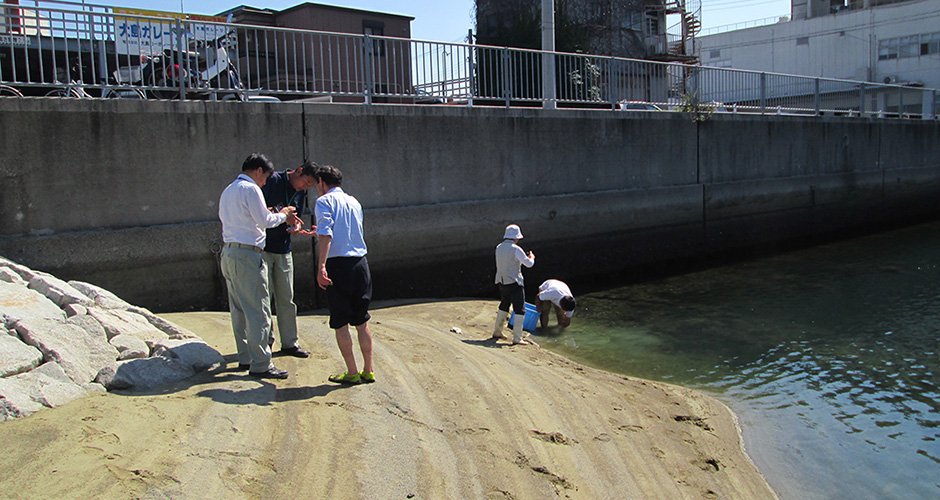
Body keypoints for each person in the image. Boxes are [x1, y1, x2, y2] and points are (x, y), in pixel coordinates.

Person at [219, 153, 299, 379]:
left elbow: (249, 218)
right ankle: (262, 363)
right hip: (248, 255)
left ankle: (246, 356)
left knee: (239, 310)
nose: (264, 183)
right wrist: (283, 215)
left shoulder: (228, 190)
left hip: (229, 252)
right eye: (264, 178)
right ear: (258, 171)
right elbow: (265, 221)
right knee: (258, 310)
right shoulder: (251, 189)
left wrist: (273, 215)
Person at [313, 164, 375, 385]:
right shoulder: (354, 201)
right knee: (362, 320)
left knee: (340, 322)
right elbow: (348, 230)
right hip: (360, 263)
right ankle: (368, 370)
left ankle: (352, 372)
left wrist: (321, 266)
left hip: (338, 265)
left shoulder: (323, 202)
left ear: (321, 182)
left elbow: (326, 233)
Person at [260, 161, 318, 359]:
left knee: (287, 298)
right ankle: (265, 342)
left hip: (284, 248)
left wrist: (296, 227)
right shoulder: (272, 180)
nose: (305, 187)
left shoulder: (300, 192)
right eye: (306, 182)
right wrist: (281, 213)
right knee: (264, 298)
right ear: (299, 171)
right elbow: (259, 211)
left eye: (310, 186)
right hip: (263, 247)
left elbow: (295, 217)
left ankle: (290, 343)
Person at [493, 224, 535, 345]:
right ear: (516, 237)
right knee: (520, 309)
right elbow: (529, 264)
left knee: (504, 304)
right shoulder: (516, 249)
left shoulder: (499, 247)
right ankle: (517, 338)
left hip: (501, 281)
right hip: (515, 282)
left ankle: (497, 331)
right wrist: (531, 257)